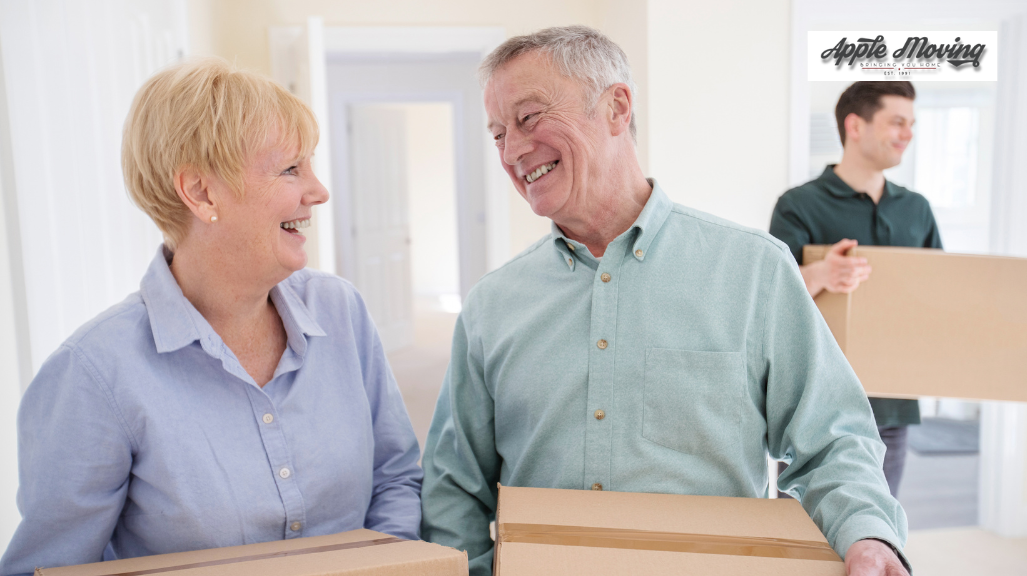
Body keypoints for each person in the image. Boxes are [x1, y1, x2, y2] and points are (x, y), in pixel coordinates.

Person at [420, 26, 911, 576]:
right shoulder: (493, 304)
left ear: (616, 107)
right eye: (497, 134)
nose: (511, 150)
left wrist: (868, 534)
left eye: (529, 117)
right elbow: (453, 485)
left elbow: (834, 438)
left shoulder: (753, 271)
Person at [0, 58, 422, 574]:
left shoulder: (341, 311)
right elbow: (49, 569)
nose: (318, 191)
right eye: (291, 169)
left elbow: (396, 477)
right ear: (200, 193)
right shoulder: (92, 373)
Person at [770, 81, 941, 498]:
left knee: (880, 525)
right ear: (855, 125)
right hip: (813, 403)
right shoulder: (799, 204)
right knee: (809, 532)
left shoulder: (916, 209)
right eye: (897, 122)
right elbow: (768, 300)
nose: (908, 133)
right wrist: (818, 275)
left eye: (912, 124)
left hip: (892, 401)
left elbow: (939, 298)